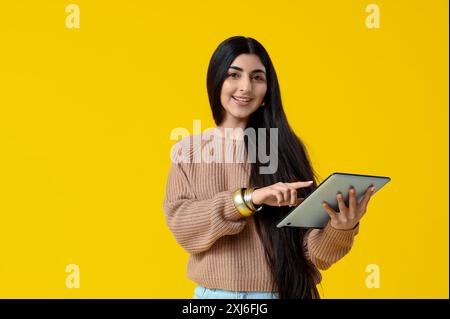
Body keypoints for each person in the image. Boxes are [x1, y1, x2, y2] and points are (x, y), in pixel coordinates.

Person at [162, 36, 375, 299]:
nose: (245, 87)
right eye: (234, 75)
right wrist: (250, 198)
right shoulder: (189, 151)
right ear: (217, 80)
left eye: (257, 77)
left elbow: (314, 253)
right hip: (216, 297)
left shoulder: (285, 147)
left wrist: (340, 228)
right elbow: (183, 227)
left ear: (267, 90)